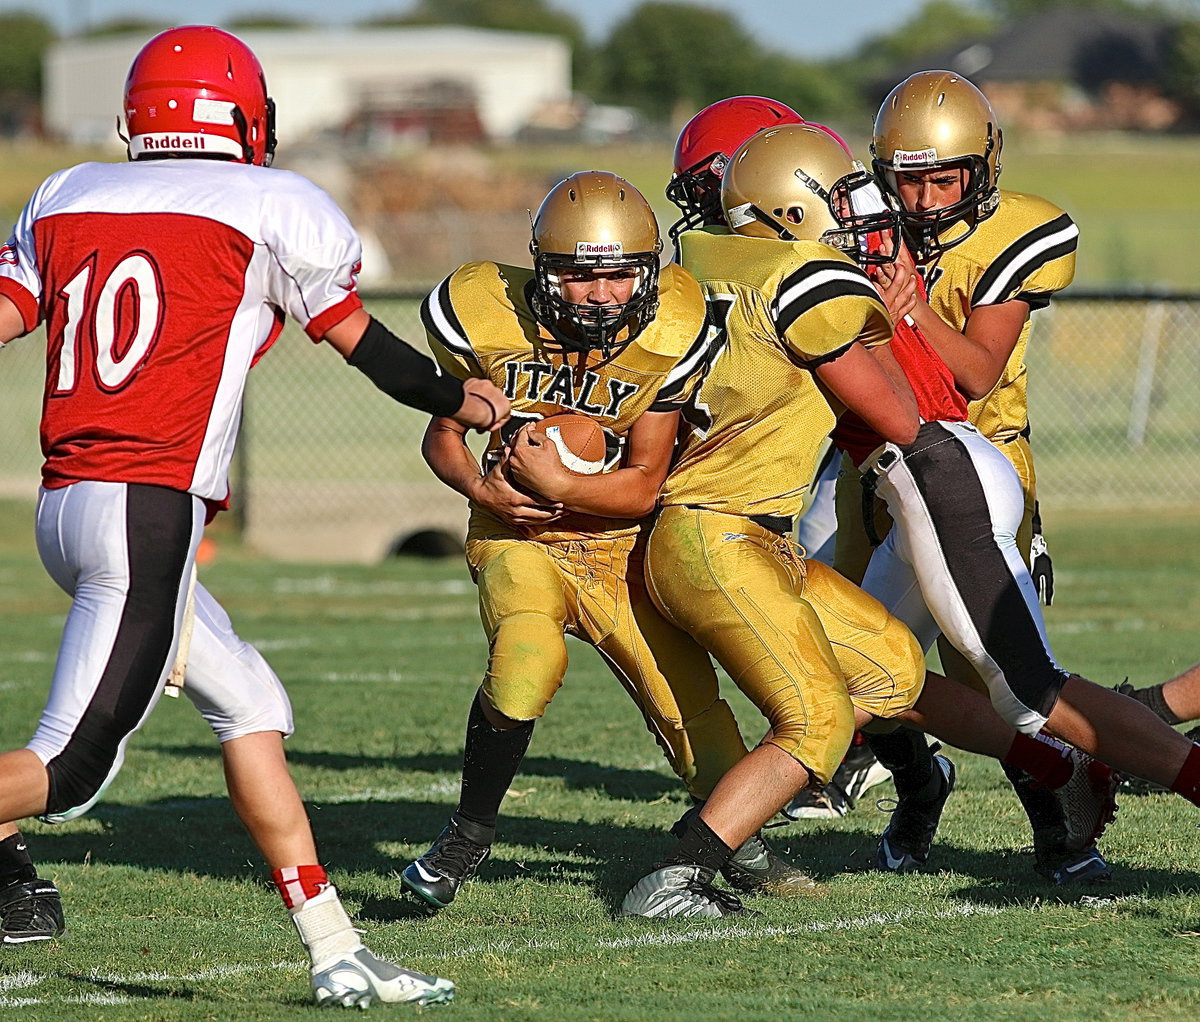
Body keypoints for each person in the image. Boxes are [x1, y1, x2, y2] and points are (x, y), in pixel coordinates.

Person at [0, 24, 511, 1007]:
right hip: (143, 514)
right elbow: (364, 347)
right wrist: (464, 400)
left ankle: (336, 950)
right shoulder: (273, 204)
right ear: (237, 114)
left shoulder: (67, 193)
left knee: (253, 709)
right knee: (67, 771)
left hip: (68, 505)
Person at [620, 124, 1129, 918]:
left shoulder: (774, 271)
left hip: (939, 468)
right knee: (865, 684)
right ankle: (749, 843)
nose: (908, 205)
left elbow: (945, 392)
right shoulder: (779, 275)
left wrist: (906, 313)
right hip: (843, 488)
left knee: (957, 676)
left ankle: (1063, 808)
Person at [401, 170, 812, 913]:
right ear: (543, 268)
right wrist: (482, 489)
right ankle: (465, 837)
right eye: (581, 275)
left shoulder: (673, 329)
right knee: (526, 656)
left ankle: (740, 844)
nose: (602, 293)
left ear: (649, 272)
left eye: (621, 274)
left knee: (692, 714)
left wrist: (558, 485)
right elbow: (442, 435)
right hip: (516, 535)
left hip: (617, 544)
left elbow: (644, 483)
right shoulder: (480, 312)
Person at [841, 70, 1200, 874]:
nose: (930, 200)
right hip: (870, 470)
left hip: (975, 462)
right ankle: (915, 783)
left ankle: (1062, 824)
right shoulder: (852, 225)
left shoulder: (1016, 231)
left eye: (947, 177)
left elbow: (974, 372)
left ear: (986, 167)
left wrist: (911, 308)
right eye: (911, 180)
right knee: (848, 655)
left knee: (998, 672)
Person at [663, 96, 891, 821]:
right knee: (831, 685)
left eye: (715, 184)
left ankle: (902, 769)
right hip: (734, 509)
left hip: (809, 481)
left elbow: (917, 408)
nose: (712, 209)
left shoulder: (783, 276)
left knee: (902, 665)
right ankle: (710, 846)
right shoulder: (750, 274)